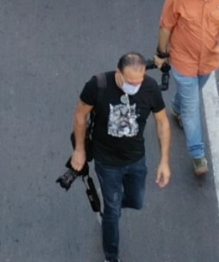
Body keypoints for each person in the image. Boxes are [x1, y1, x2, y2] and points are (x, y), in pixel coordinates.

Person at [68, 53, 172, 262]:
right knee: (113, 212)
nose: (135, 86)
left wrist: (164, 161)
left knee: (136, 201)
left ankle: (111, 204)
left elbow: (162, 123)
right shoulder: (98, 85)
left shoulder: (149, 88)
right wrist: (79, 150)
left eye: (139, 81)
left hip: (136, 160)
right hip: (107, 163)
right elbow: (80, 115)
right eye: (130, 82)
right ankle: (111, 256)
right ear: (118, 74)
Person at [155, 0, 219, 177]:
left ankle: (175, 109)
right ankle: (197, 155)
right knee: (192, 109)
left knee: (190, 96)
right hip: (183, 62)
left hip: (208, 63)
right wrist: (161, 53)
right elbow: (166, 27)